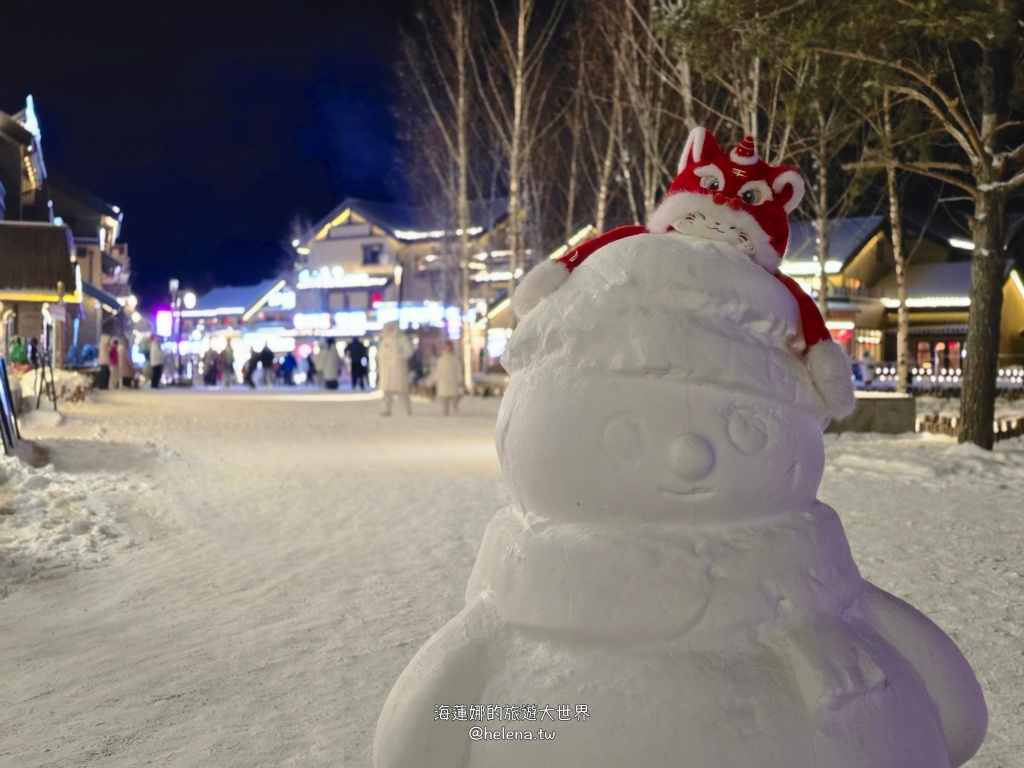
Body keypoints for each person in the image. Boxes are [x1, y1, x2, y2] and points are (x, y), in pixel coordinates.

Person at [377, 321, 413, 416]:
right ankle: (386, 409)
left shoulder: (402, 339)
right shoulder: (385, 340)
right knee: (387, 392)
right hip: (387, 371)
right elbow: (380, 354)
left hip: (398, 369)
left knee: (402, 391)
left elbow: (409, 351)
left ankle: (406, 408)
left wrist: (399, 357)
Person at [430, 341, 463, 416]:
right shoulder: (441, 359)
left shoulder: (455, 360)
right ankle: (445, 413)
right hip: (443, 382)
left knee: (454, 397)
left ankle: (455, 411)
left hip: (452, 381)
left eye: (449, 347)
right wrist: (435, 379)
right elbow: (438, 370)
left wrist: (459, 379)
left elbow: (458, 370)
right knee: (444, 399)